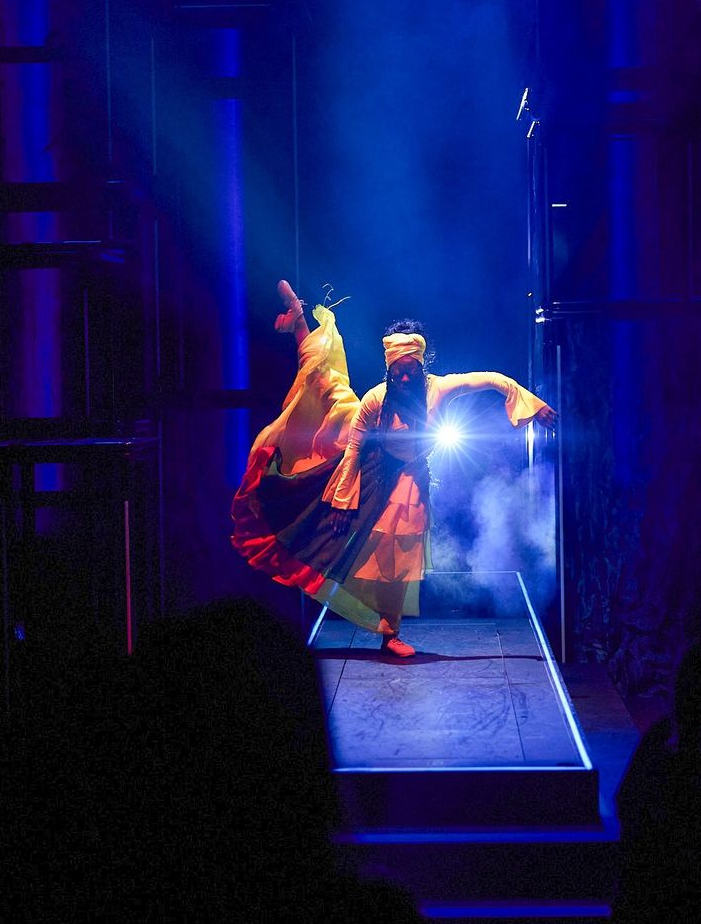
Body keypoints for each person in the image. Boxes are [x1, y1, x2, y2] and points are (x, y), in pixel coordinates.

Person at [232, 281, 556, 656]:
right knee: (323, 385)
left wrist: (532, 405)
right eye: (397, 372)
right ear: (389, 370)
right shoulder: (376, 398)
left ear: (421, 366)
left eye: (410, 372)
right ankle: (300, 319)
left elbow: (493, 380)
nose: (404, 379)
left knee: (398, 551)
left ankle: (390, 633)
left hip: (410, 474)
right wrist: (341, 500)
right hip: (372, 463)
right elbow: (354, 449)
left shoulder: (439, 388)